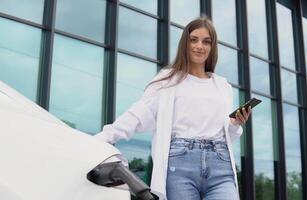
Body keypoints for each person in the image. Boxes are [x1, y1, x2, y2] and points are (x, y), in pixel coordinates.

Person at [95, 17, 251, 200]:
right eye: (194, 40)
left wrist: (234, 124)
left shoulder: (223, 86)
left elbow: (225, 134)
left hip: (220, 165)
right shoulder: (168, 81)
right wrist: (102, 138)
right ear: (185, 43)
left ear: (212, 47)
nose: (199, 46)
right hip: (180, 165)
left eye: (206, 41)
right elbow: (138, 115)